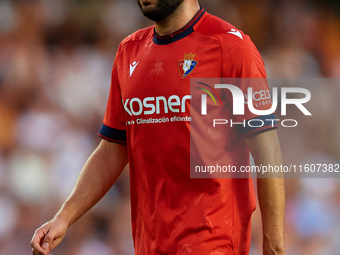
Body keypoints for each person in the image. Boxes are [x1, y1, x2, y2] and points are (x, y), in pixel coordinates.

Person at [31, 0, 285, 254]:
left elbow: (267, 154)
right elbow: (112, 150)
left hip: (212, 241)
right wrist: (63, 217)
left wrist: (274, 247)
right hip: (149, 244)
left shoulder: (230, 46)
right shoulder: (129, 51)